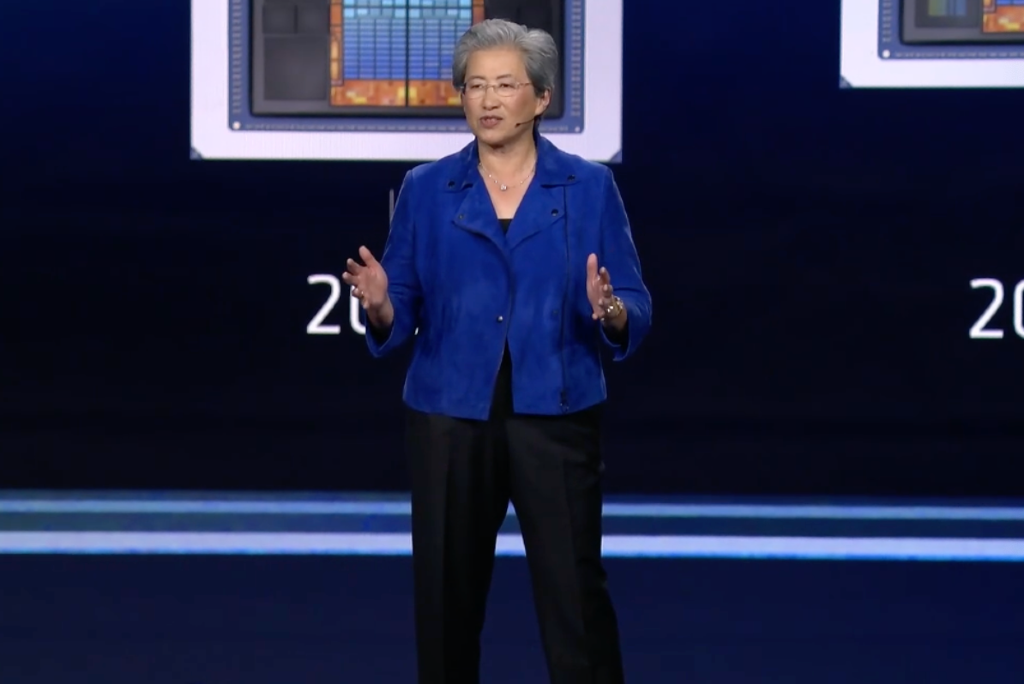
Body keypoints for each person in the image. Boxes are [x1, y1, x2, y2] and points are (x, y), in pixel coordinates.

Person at [342, 18, 652, 684]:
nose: (487, 100)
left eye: (505, 85)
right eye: (474, 86)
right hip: (450, 415)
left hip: (557, 411)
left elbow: (633, 300)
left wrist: (612, 310)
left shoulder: (589, 187)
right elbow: (401, 304)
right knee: (446, 598)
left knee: (574, 597)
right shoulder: (426, 188)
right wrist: (381, 303)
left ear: (541, 98)